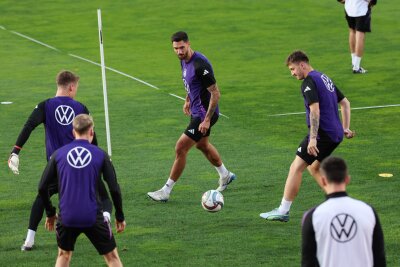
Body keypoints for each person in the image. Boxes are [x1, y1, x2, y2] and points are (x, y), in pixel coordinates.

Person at [8, 70, 112, 251]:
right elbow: (91, 139)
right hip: (81, 166)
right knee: (99, 192)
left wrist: (15, 152)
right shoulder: (81, 108)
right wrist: (99, 157)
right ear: (71, 87)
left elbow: (29, 126)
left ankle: (29, 240)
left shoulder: (45, 106)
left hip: (57, 166)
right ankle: (107, 220)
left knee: (42, 196)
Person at [260, 50, 354, 222]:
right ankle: (339, 203)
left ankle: (283, 210)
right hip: (335, 134)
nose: (292, 73)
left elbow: (315, 110)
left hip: (322, 134)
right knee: (313, 167)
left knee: (296, 168)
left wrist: (312, 138)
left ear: (302, 64)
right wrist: (345, 128)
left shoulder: (309, 82)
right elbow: (345, 103)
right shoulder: (324, 78)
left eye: (293, 69)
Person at [147, 31, 236, 202]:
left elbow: (216, 93)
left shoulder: (200, 64)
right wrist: (188, 99)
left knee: (180, 147)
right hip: (196, 111)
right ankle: (225, 175)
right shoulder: (183, 60)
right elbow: (191, 83)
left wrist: (207, 120)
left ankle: (166, 191)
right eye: (175, 48)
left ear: (188, 44)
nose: (179, 51)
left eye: (182, 47)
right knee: (202, 145)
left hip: (204, 115)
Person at [39, 114, 126, 267]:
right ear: (91, 131)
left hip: (67, 218)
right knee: (112, 258)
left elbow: (42, 187)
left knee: (63, 255)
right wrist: (119, 215)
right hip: (92, 216)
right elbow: (114, 188)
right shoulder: (100, 154)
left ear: (73, 132)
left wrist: (50, 213)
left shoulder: (58, 154)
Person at [301, 156, 386, 267]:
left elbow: (308, 262)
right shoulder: (368, 211)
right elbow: (379, 259)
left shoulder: (313, 216)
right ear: (347, 179)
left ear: (323, 180)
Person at [338, 0, 378, 74]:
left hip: (349, 8)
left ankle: (354, 62)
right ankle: (356, 67)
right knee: (360, 33)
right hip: (361, 9)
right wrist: (373, 2)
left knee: (352, 31)